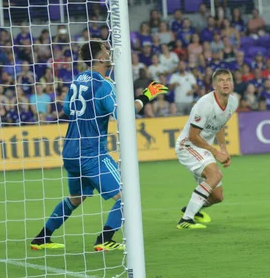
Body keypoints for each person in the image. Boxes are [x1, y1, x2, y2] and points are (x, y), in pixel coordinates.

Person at [29, 41, 168, 251]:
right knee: (128, 195)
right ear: (101, 58)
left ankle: (41, 238)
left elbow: (67, 108)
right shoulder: (104, 85)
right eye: (106, 51)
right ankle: (105, 238)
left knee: (76, 198)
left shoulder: (78, 80)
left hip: (70, 152)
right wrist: (146, 95)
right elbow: (124, 115)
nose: (110, 53)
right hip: (92, 154)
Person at [175, 69, 238, 229]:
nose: (225, 83)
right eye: (221, 80)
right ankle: (186, 220)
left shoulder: (233, 102)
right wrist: (216, 152)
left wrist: (223, 149)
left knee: (217, 197)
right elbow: (193, 136)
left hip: (203, 148)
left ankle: (190, 210)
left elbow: (220, 125)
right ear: (214, 85)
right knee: (215, 175)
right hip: (187, 146)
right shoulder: (205, 104)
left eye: (228, 80)